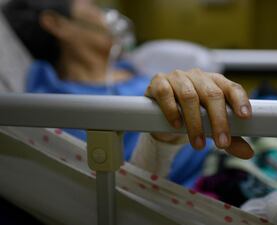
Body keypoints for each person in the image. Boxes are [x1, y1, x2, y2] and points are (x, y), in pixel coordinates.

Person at [2, 0, 254, 186]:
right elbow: (119, 190)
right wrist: (160, 136)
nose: (106, 16)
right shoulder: (54, 103)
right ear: (56, 23)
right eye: (92, 5)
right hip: (214, 178)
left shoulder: (132, 67)